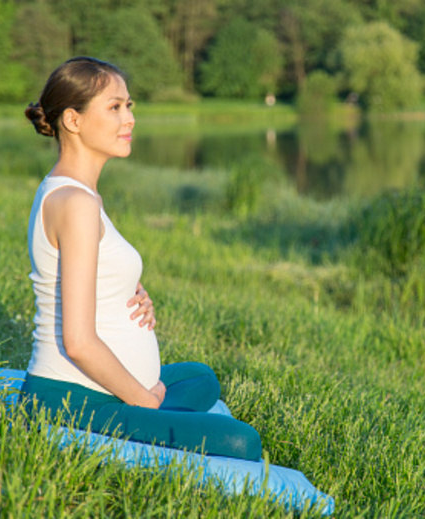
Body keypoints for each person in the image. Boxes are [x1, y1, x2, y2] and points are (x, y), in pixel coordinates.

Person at [20, 57, 261, 461]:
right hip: (74, 399)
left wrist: (129, 291)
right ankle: (148, 412)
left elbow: (88, 275)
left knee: (201, 378)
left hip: (111, 388)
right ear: (74, 121)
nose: (129, 118)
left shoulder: (76, 192)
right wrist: (143, 401)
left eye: (129, 106)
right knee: (242, 442)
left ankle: (150, 404)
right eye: (114, 107)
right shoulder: (75, 202)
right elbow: (77, 343)